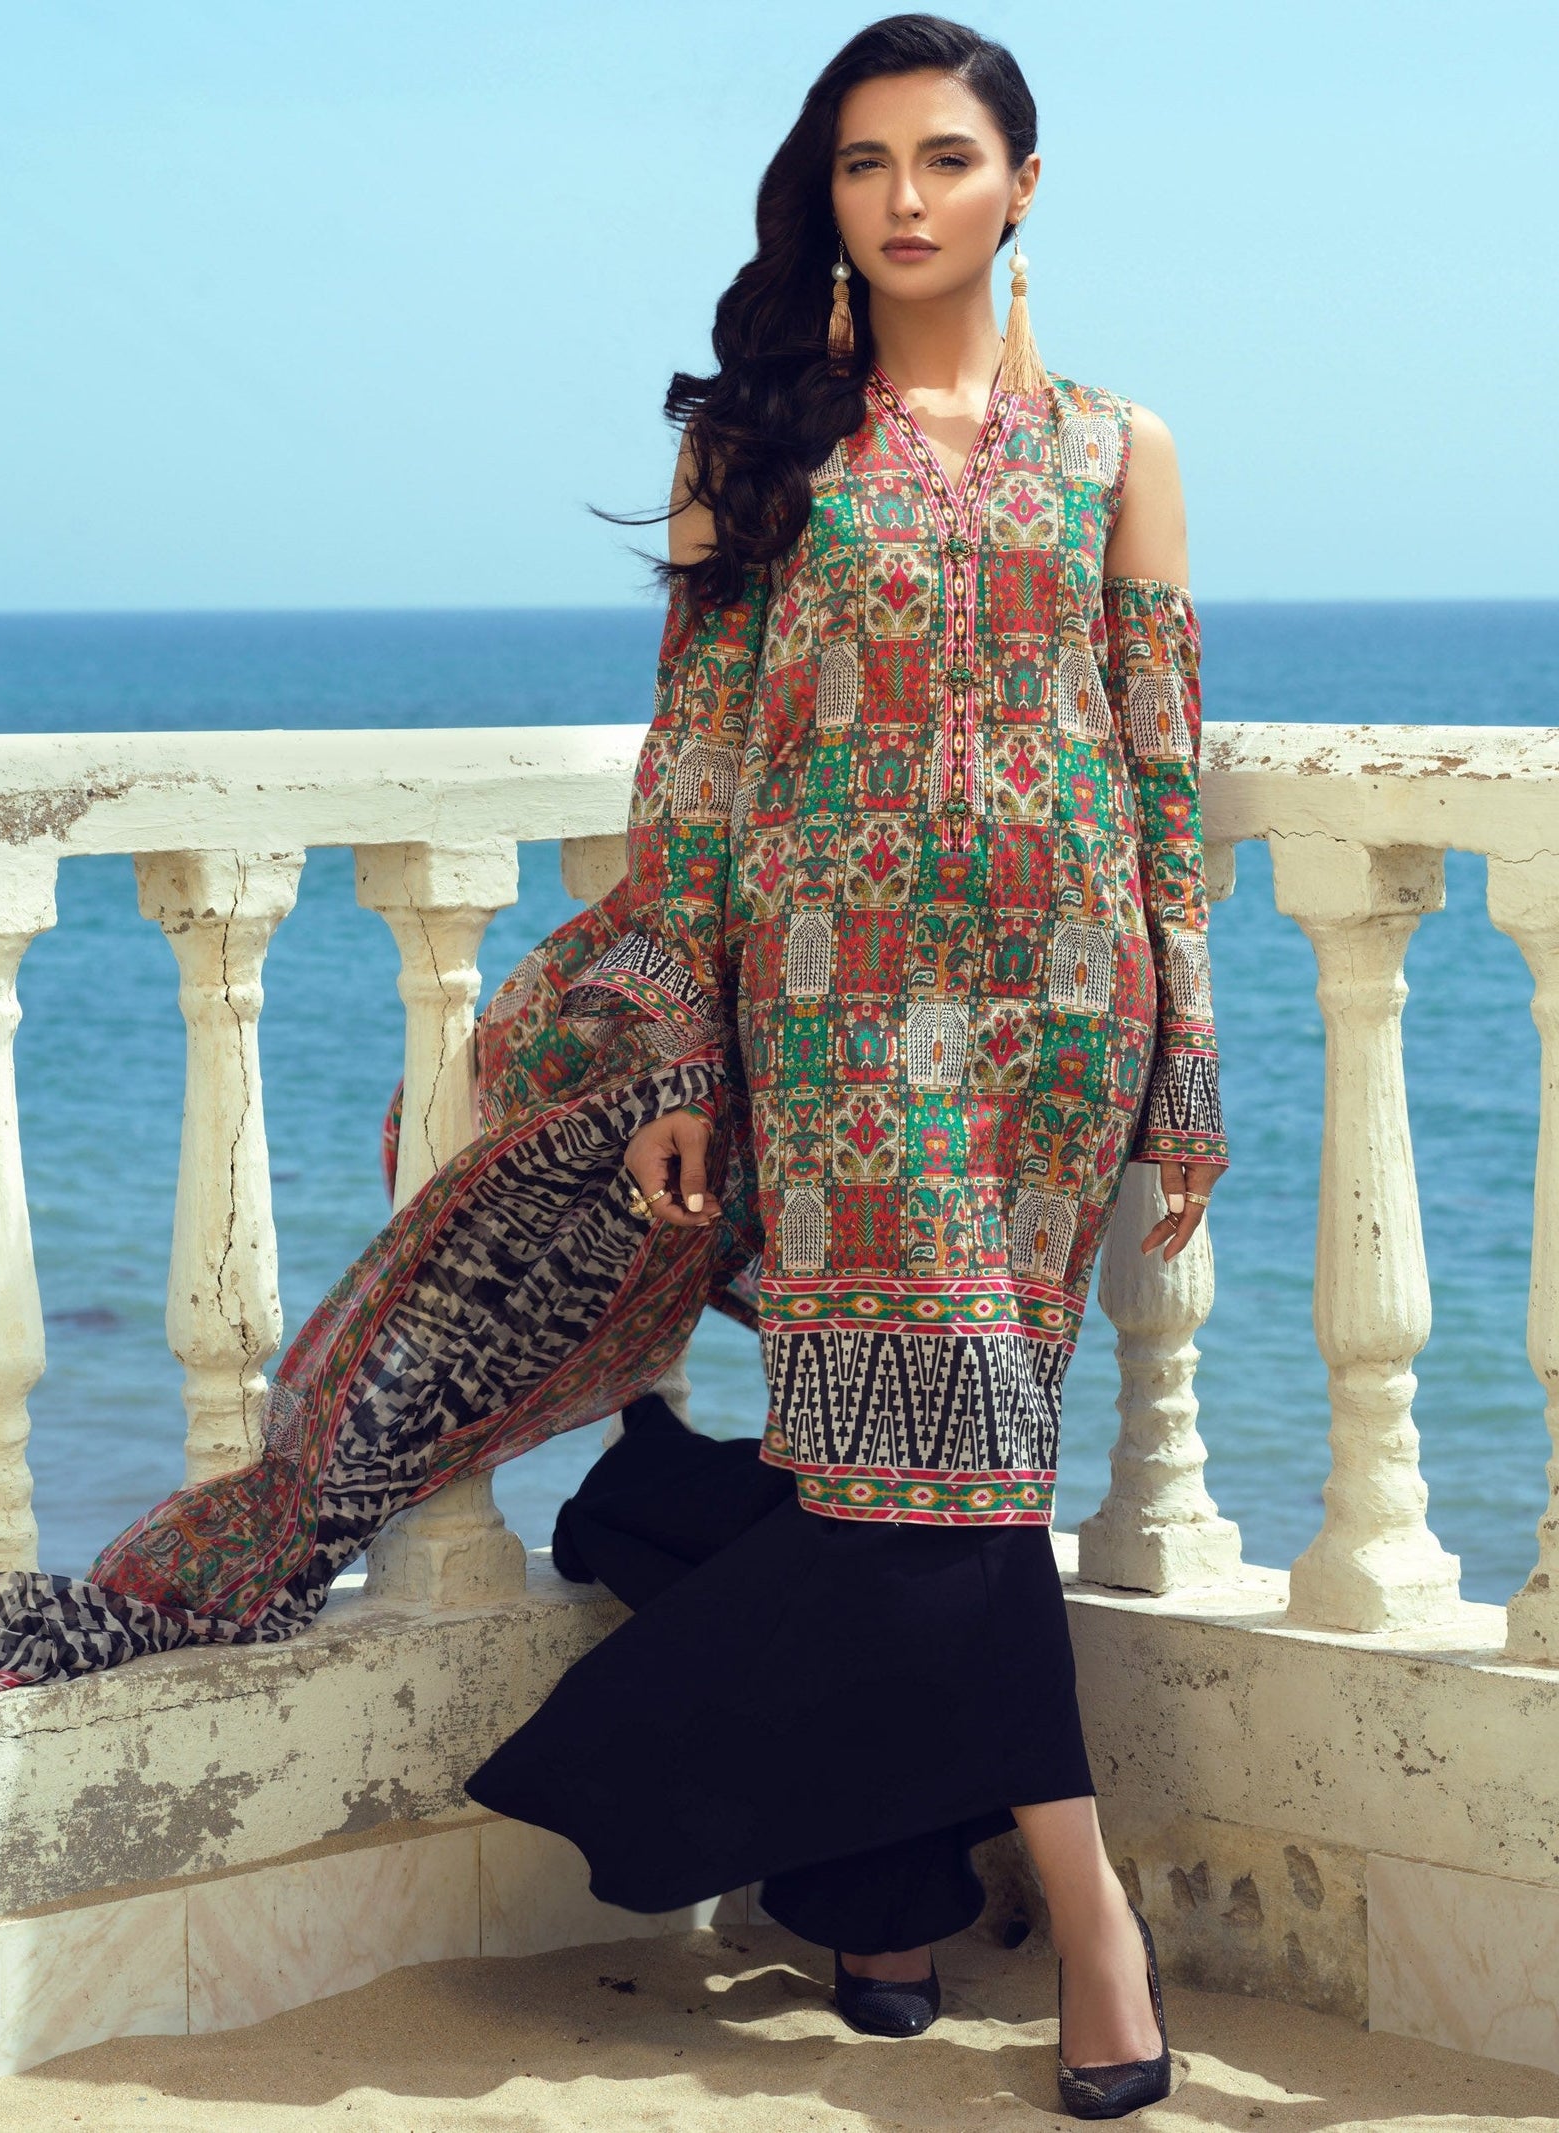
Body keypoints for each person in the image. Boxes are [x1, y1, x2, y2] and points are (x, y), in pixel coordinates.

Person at [462, 13, 1227, 2118]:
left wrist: (1187, 1050)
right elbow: (699, 774)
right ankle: (1092, 1923)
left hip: (1060, 1018)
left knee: (918, 1479)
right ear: (827, 191)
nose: (903, 196)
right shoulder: (758, 444)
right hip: (834, 1014)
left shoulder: (1118, 449)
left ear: (1020, 186)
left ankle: (867, 1876)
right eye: (865, 160)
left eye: (945, 157)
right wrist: (685, 1044)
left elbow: (1157, 772)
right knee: (957, 1476)